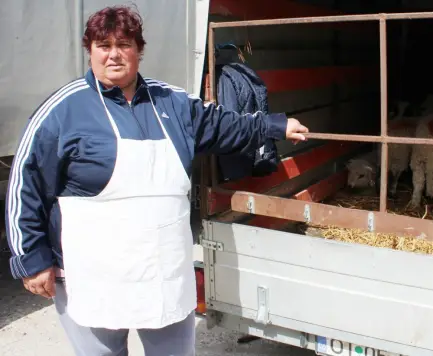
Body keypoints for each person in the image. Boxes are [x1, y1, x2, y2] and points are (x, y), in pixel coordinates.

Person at [4, 5, 309, 355]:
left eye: (124, 44)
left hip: (162, 270)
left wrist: (273, 126)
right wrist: (32, 258)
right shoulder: (63, 110)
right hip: (92, 273)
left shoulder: (172, 102)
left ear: (139, 50)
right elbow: (25, 186)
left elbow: (224, 124)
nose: (114, 54)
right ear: (90, 51)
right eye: (104, 45)